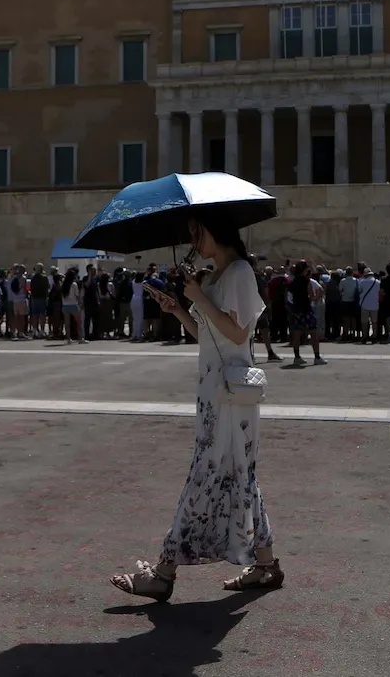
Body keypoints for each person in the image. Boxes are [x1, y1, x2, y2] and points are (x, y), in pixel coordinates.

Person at [111, 213, 283, 601]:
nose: (193, 241)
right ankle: (267, 565)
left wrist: (201, 297)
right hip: (215, 391)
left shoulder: (238, 272)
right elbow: (209, 334)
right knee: (240, 475)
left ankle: (164, 572)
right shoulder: (215, 276)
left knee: (206, 476)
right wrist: (178, 309)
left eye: (196, 232)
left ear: (214, 230)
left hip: (229, 395)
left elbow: (239, 333)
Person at [286, 260, 326, 367]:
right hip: (306, 309)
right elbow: (312, 296)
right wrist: (314, 297)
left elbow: (289, 298)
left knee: (297, 334)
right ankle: (317, 357)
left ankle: (297, 357)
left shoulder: (292, 282)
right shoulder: (306, 281)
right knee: (313, 333)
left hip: (296, 310)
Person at [62, 266, 85, 345]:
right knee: (79, 322)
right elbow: (77, 295)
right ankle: (80, 338)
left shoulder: (64, 284)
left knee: (67, 323)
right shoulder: (74, 284)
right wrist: (81, 303)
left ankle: (68, 339)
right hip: (73, 304)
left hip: (65, 305)